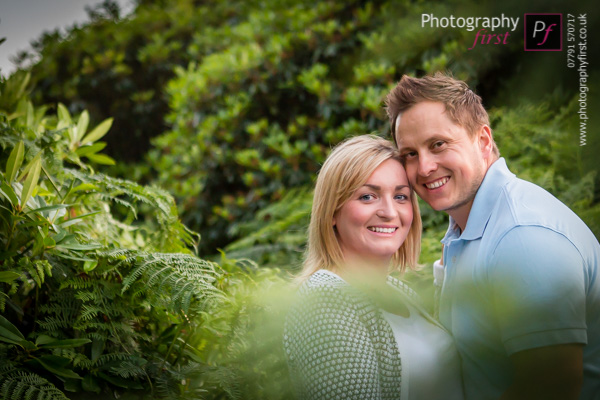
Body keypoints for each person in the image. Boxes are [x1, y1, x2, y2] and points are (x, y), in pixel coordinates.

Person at [385, 72, 600, 400]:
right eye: (410, 154)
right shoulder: (470, 227)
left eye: (438, 144)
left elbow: (552, 387)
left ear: (483, 141)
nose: (424, 167)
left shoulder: (522, 236)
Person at [283, 135, 465, 400]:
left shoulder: (401, 292)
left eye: (401, 196)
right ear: (332, 211)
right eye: (368, 196)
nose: (389, 212)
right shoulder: (324, 301)